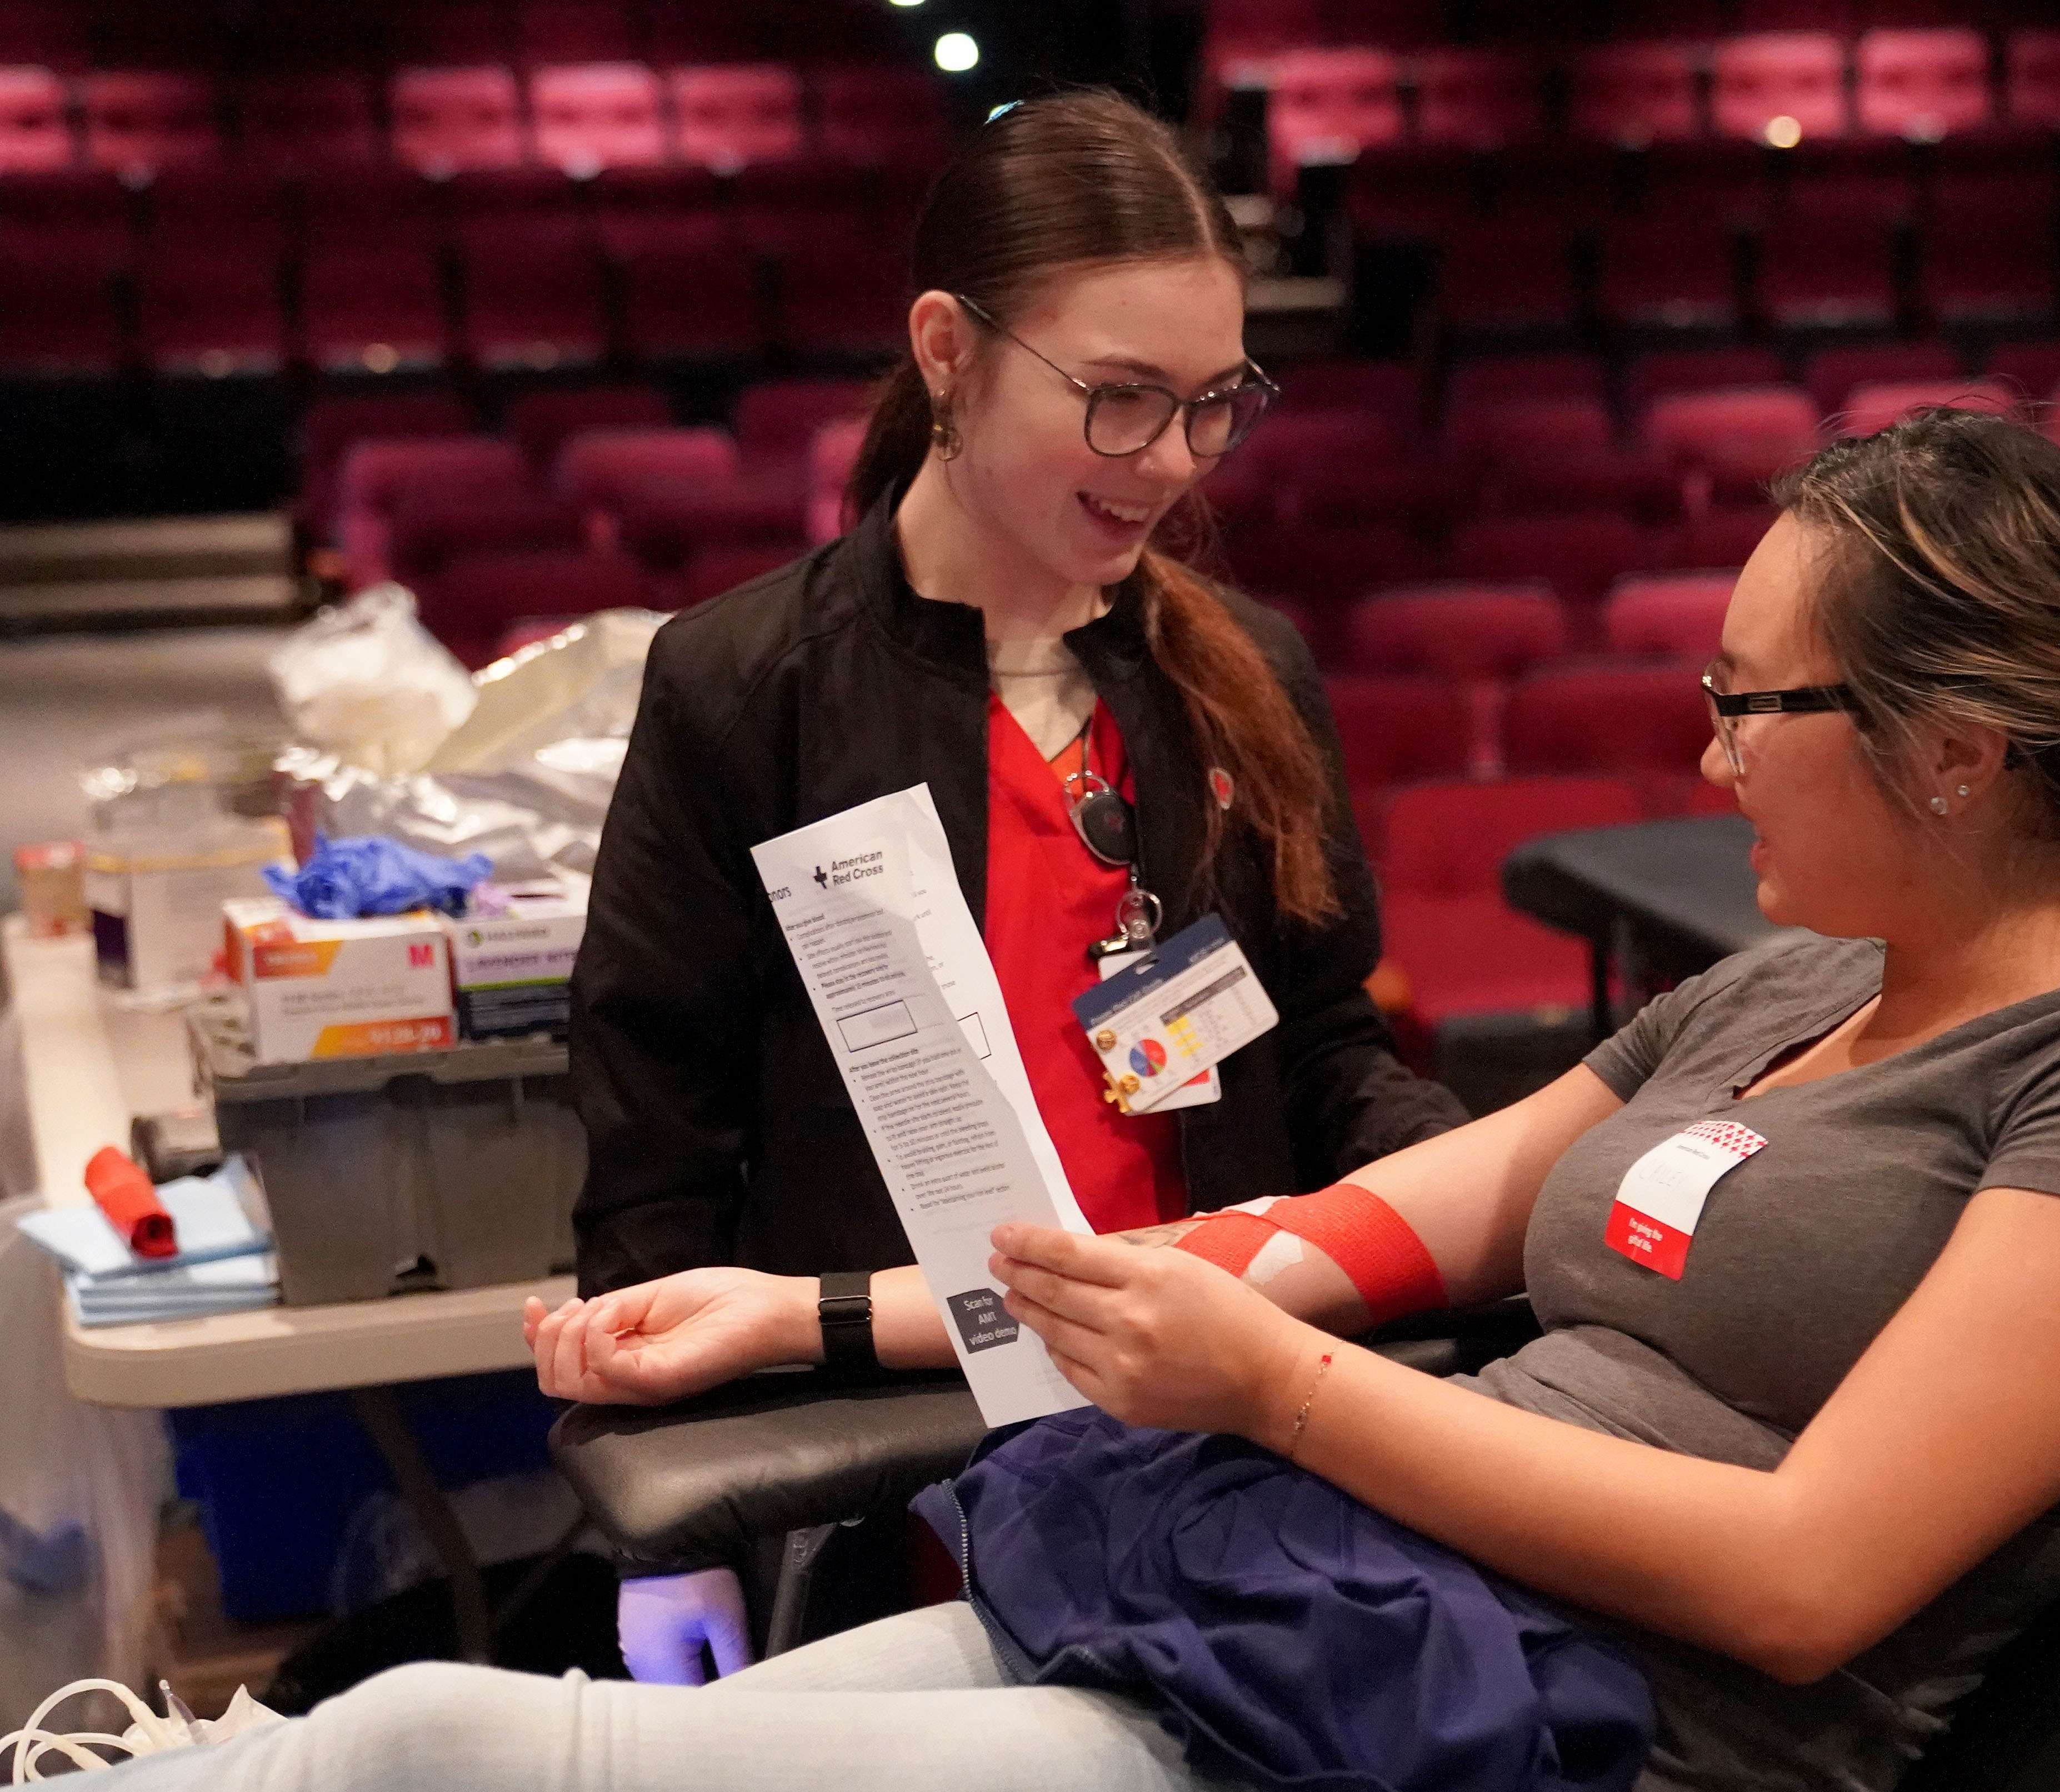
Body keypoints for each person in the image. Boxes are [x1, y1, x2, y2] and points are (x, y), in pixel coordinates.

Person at [2, 407, 2060, 1792]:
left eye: (1748, 698)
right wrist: (820, 1315)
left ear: (1947, 751)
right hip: (1307, 1636)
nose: (1703, 745)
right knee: (424, 1784)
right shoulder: (1779, 993)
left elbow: (1805, 1579)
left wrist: (1288, 1393)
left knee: (412, 1783)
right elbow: (1323, 1236)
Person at [554, 91, 1463, 1681]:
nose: (1172, 464)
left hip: (1222, 1424)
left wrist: (1484, 1203)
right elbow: (659, 1143)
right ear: (947, 353)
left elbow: (1323, 1045)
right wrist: (672, 1539)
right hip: (898, 1449)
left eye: (1211, 404)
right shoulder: (747, 685)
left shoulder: (1240, 671)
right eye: (1118, 399)